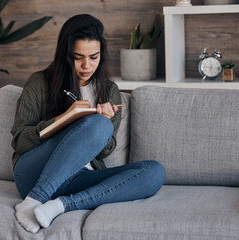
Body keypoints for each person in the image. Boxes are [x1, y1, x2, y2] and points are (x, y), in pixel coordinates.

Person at [11, 14, 165, 233]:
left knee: (155, 172)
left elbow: (104, 152)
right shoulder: (40, 82)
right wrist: (64, 119)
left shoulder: (109, 91)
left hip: (78, 178)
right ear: (66, 55)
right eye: (78, 57)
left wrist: (104, 122)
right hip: (34, 175)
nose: (87, 65)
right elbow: (19, 141)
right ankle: (35, 199)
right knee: (100, 125)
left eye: (94, 57)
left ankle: (60, 205)